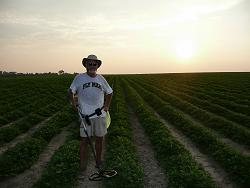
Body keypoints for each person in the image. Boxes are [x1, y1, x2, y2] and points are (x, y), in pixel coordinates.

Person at [68, 54, 113, 172]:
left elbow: (110, 92)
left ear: (97, 66)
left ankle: (98, 161)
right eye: (90, 63)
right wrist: (73, 103)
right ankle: (82, 164)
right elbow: (70, 91)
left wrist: (107, 106)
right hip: (85, 116)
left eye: (95, 64)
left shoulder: (101, 79)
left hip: (99, 115)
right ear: (86, 65)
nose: (92, 66)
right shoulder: (79, 78)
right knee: (84, 141)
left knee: (100, 139)